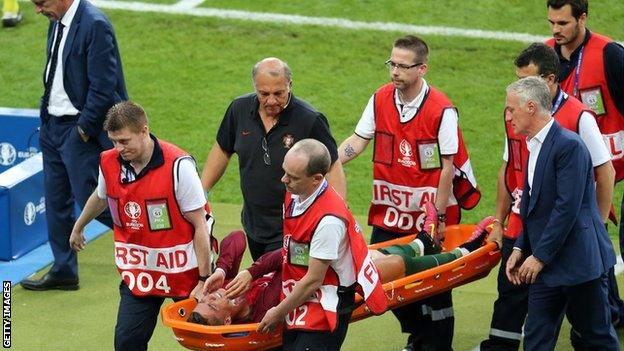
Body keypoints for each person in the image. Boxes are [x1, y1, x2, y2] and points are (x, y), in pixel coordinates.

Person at [338, 34, 480, 351]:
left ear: (422, 68)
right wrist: (330, 160)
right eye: (392, 64)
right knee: (378, 277)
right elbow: (359, 141)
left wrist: (439, 217)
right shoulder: (380, 98)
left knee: (436, 285)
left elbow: (447, 167)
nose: (395, 72)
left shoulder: (442, 110)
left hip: (428, 217)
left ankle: (437, 345)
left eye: (403, 66)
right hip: (390, 214)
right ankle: (419, 336)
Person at [480, 42, 616, 350]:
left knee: (596, 338)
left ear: (531, 107)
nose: (507, 115)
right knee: (537, 339)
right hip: (545, 263)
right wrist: (519, 249)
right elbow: (531, 206)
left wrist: (539, 255)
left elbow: (565, 208)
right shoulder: (532, 143)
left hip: (578, 264)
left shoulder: (569, 144)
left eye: (512, 109)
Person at [189, 209, 496, 328]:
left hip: (321, 267)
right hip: (333, 288)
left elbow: (234, 238)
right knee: (396, 265)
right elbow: (285, 264)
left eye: (205, 298)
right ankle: (463, 251)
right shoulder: (260, 311)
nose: (211, 297)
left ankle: (424, 241)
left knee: (372, 255)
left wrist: (223, 271)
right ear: (226, 320)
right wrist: (252, 273)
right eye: (212, 305)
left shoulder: (229, 291)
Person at [68, 101, 213, 351]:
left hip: (187, 275)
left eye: (124, 141)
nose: (118, 148)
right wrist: (79, 226)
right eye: (113, 141)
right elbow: (101, 196)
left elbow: (200, 224)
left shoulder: (179, 165)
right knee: (127, 343)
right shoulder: (109, 161)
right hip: (141, 274)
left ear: (144, 130)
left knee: (203, 342)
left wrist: (204, 279)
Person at [21, 0, 128, 291]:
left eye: (41, 3)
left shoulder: (94, 24)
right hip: (53, 126)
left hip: (79, 129)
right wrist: (46, 115)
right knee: (56, 202)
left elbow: (104, 87)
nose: (38, 10)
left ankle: (148, 243)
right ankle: (64, 269)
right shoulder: (57, 20)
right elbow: (53, 74)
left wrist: (82, 131)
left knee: (92, 201)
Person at [201, 57, 346, 262]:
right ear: (255, 88)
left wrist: (337, 216)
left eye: (279, 94)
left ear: (290, 85)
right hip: (254, 223)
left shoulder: (309, 120)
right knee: (263, 281)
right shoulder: (239, 110)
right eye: (264, 94)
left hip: (293, 225)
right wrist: (202, 193)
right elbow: (222, 149)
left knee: (280, 287)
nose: (271, 100)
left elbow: (331, 165)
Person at [545, 0, 624, 328]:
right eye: (551, 22)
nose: (555, 30)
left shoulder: (611, 56)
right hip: (576, 169)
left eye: (563, 23)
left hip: (615, 162)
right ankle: (611, 311)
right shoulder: (545, 56)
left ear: (582, 18)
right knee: (587, 235)